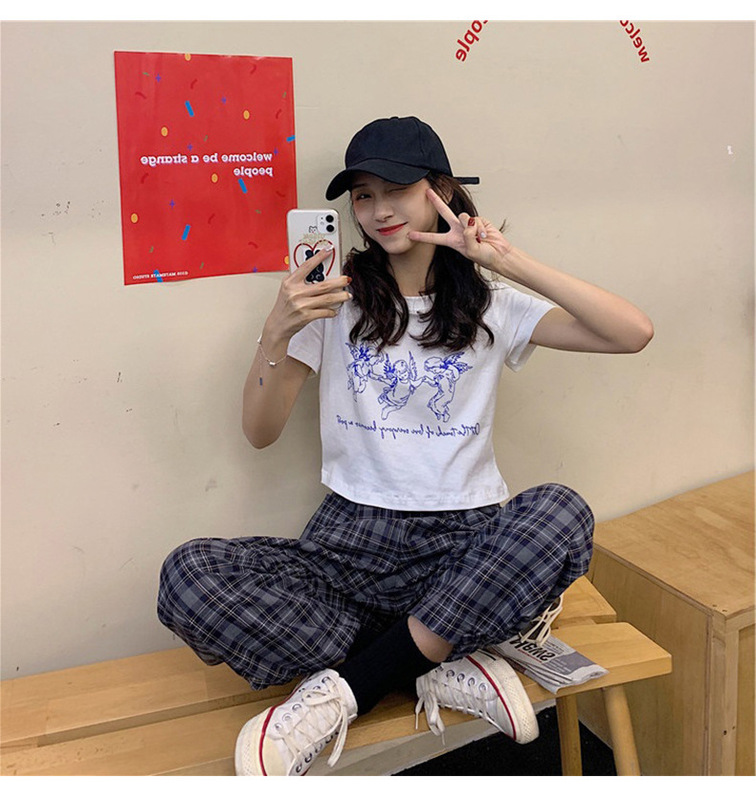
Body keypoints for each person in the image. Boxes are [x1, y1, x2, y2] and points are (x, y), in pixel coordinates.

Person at [157, 116, 654, 777]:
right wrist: (276, 331)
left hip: (465, 543)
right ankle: (434, 656)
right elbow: (260, 431)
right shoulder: (333, 300)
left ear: (439, 191)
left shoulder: (491, 301)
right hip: (348, 545)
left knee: (561, 513)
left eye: (396, 189)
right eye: (364, 194)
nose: (379, 209)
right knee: (189, 575)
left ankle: (349, 690)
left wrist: (504, 260)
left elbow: (632, 333)